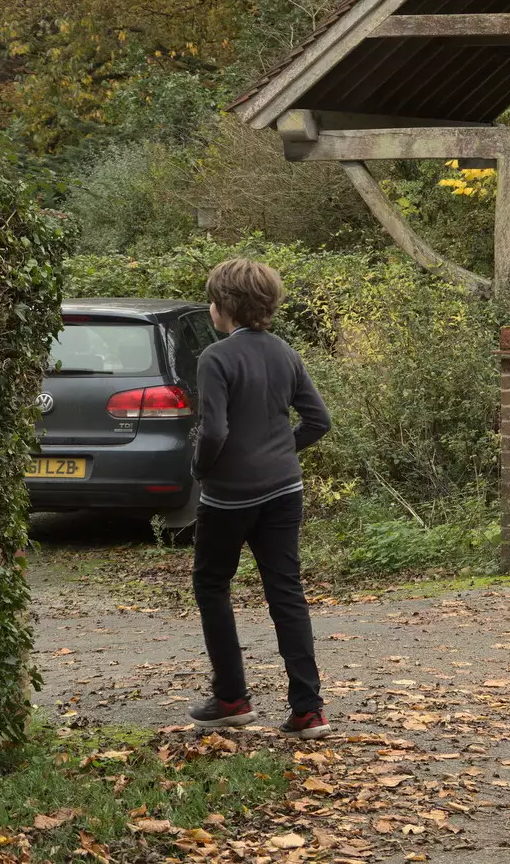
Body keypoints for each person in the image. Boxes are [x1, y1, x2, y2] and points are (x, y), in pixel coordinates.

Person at [187, 257, 333, 739]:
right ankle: (308, 710)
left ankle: (231, 698)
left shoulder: (216, 358)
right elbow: (318, 422)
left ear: (222, 307)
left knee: (212, 585)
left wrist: (201, 470)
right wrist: (277, 452)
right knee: (285, 591)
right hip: (284, 491)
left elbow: (214, 431)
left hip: (229, 498)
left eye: (212, 299)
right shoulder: (284, 352)